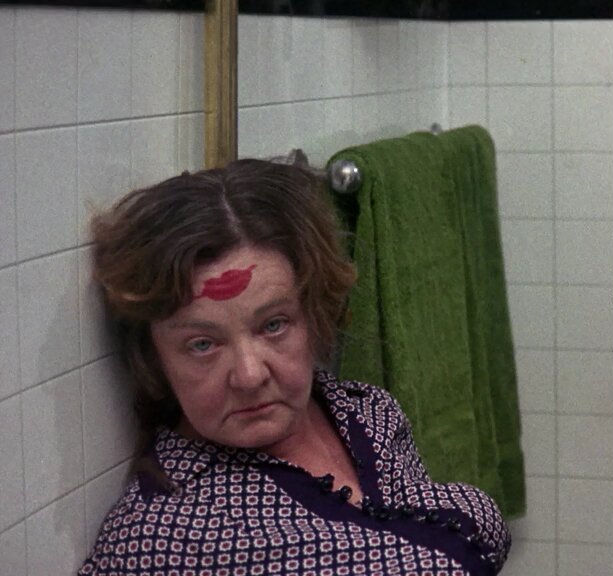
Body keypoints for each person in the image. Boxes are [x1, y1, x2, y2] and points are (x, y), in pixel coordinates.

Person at [78, 159, 511, 575]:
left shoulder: (368, 413)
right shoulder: (159, 539)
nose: (250, 376)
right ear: (154, 356)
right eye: (202, 344)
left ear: (312, 313)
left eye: (274, 325)